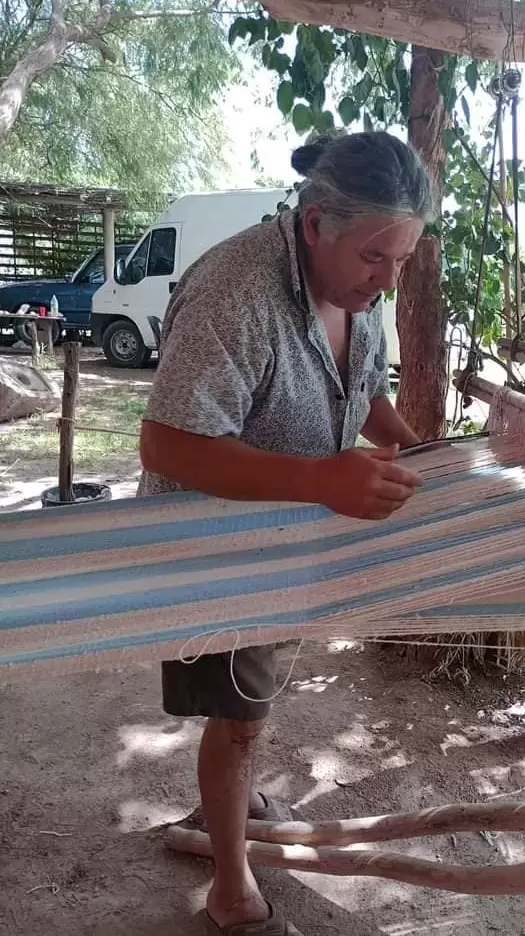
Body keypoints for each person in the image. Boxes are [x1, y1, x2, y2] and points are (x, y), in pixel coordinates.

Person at [138, 130, 435, 935]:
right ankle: (230, 888)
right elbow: (166, 444)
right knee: (238, 718)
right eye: (376, 258)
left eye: (403, 259)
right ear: (313, 226)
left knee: (253, 701)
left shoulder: (359, 288)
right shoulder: (234, 292)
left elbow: (362, 390)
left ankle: (226, 805)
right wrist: (317, 480)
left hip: (292, 536)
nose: (389, 278)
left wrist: (422, 456)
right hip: (217, 545)